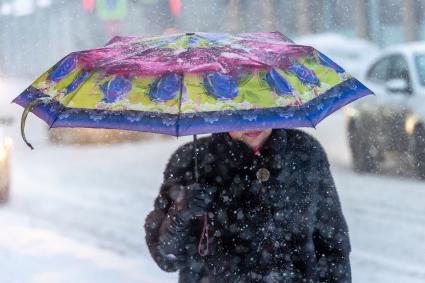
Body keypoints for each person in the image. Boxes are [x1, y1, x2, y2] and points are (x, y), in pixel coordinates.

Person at [144, 128, 351, 282]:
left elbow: (333, 244)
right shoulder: (192, 160)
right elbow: (167, 257)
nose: (254, 121)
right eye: (240, 110)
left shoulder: (304, 151)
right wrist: (180, 213)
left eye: (262, 107)